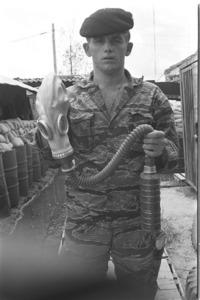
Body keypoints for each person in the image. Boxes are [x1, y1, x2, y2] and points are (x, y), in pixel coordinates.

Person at [36, 8, 179, 300]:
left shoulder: (152, 96)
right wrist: (47, 133)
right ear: (87, 48)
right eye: (99, 41)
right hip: (85, 224)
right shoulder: (68, 99)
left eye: (116, 40)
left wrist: (162, 150)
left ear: (128, 46)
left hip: (138, 224)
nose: (108, 48)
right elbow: (52, 161)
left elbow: (178, 157)